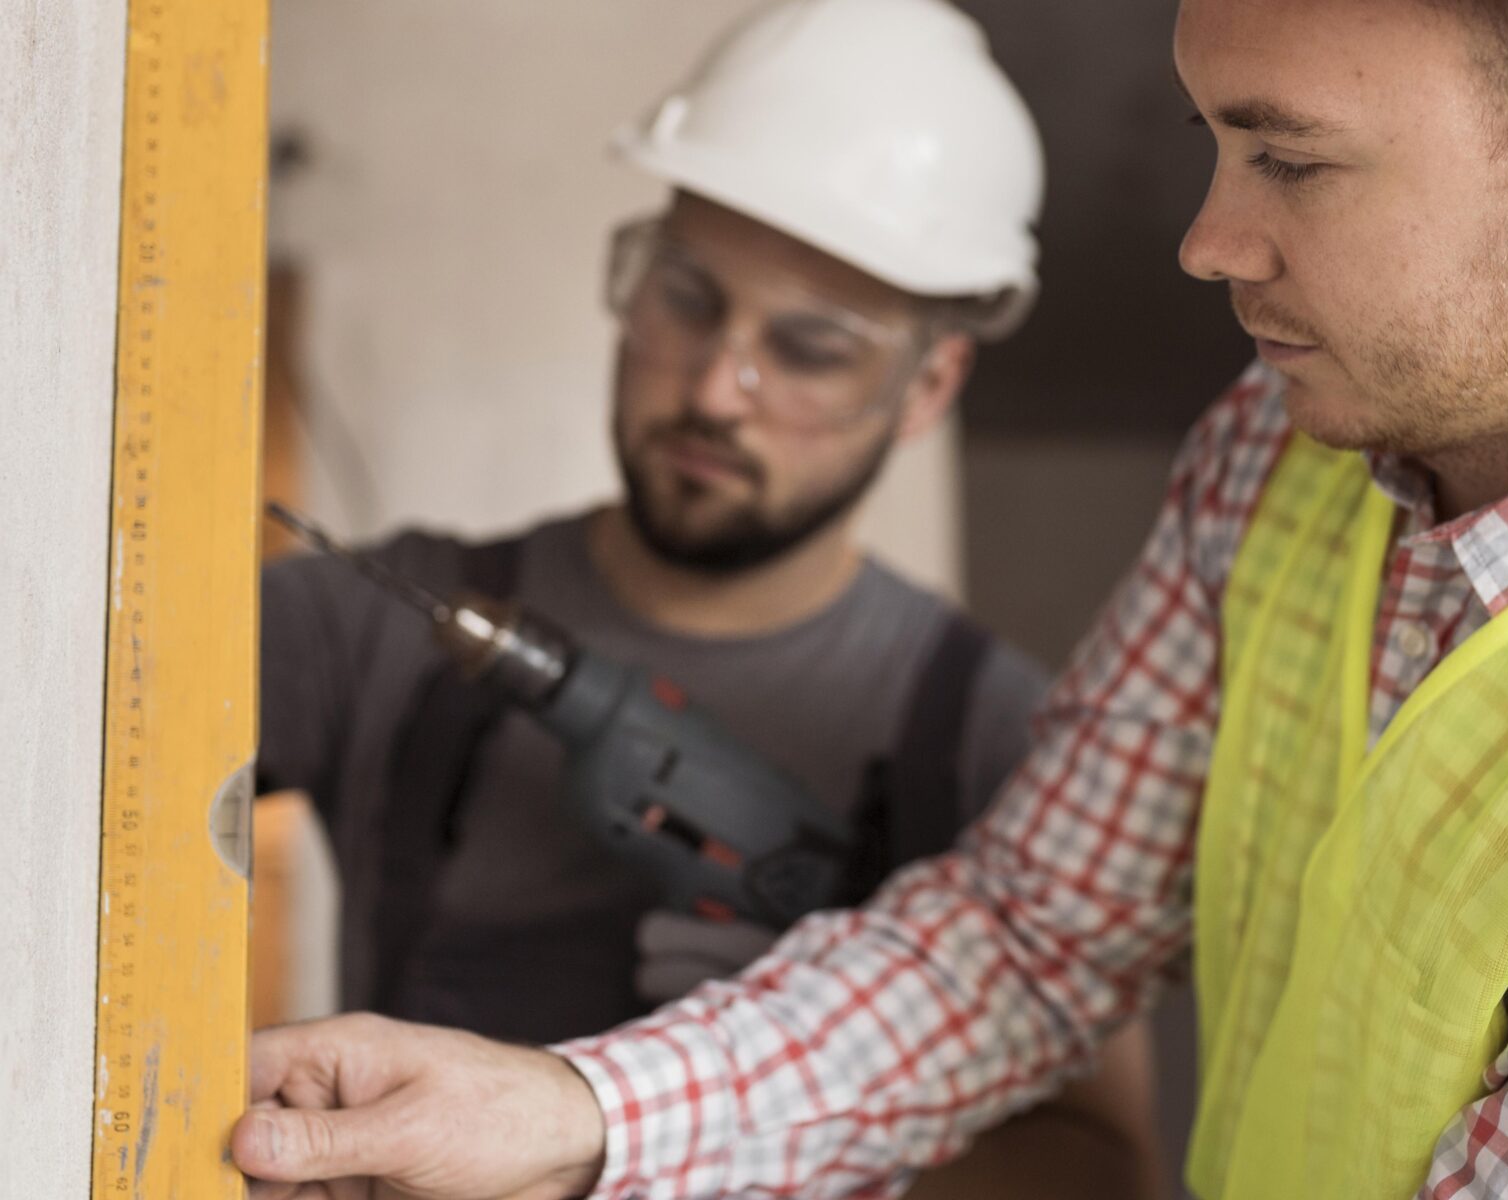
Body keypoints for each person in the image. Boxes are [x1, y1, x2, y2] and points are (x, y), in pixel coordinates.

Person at [235, 0, 1508, 1196]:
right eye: (1215, 145)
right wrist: (575, 1112)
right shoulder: (1285, 453)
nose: (1208, 238)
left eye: (1289, 157)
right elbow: (1031, 936)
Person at [250, 0, 1162, 1196]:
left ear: (927, 385)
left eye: (809, 347)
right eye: (686, 297)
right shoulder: (385, 621)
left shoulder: (1001, 741)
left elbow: (1101, 1169)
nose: (718, 388)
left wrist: (807, 1072)